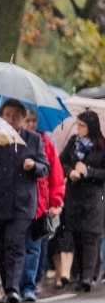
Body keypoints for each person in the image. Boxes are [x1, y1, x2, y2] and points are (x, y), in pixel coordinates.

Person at [0, 99, 49, 303]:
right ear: (1, 116)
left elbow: (45, 167)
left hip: (22, 204)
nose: (11, 119)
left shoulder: (33, 139)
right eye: (7, 114)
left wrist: (33, 165)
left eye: (16, 115)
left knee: (14, 243)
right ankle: (8, 285)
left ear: (23, 118)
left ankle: (12, 289)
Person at [56, 111, 105, 292]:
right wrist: (70, 172)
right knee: (76, 233)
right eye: (77, 125)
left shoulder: (101, 145)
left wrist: (88, 171)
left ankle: (87, 275)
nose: (79, 129)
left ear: (91, 126)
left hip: (94, 196)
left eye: (82, 125)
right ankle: (77, 274)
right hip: (75, 195)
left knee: (90, 235)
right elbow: (61, 162)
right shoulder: (73, 143)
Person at [20, 109, 64, 300]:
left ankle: (29, 284)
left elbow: (55, 176)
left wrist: (55, 202)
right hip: (18, 204)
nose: (31, 124)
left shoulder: (45, 144)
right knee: (17, 247)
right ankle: (16, 284)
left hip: (40, 205)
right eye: (27, 120)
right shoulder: (13, 142)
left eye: (34, 120)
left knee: (34, 247)